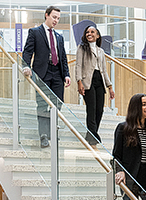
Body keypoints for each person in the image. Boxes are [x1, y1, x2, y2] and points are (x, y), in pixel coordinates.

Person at [22, 5, 71, 148]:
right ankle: (43, 135)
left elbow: (63, 58)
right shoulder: (35, 32)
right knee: (43, 104)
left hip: (57, 73)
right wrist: (26, 66)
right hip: (42, 73)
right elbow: (27, 52)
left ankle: (52, 131)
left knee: (58, 103)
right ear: (46, 15)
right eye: (54, 17)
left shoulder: (59, 37)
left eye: (58, 18)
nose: (56, 20)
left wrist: (66, 74)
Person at [75, 24, 114, 146]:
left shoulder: (101, 51)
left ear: (97, 35)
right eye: (87, 32)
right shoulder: (81, 48)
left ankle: (91, 134)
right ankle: (93, 137)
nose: (89, 34)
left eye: (92, 32)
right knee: (91, 109)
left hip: (99, 81)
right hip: (88, 81)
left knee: (99, 110)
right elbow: (78, 66)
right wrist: (79, 82)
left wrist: (110, 86)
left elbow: (104, 70)